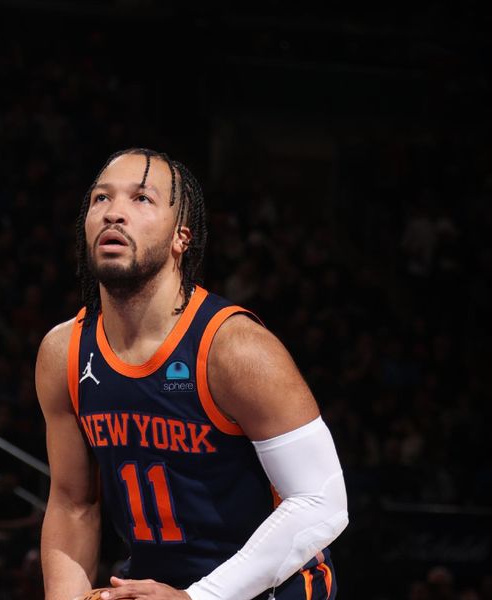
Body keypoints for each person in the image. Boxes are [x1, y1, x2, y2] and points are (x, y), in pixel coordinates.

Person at [36, 148, 348, 600]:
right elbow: (73, 502)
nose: (114, 213)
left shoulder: (235, 348)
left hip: (270, 591)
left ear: (182, 237)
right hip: (153, 584)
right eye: (100, 199)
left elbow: (322, 503)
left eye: (141, 199)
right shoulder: (63, 351)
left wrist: (199, 598)